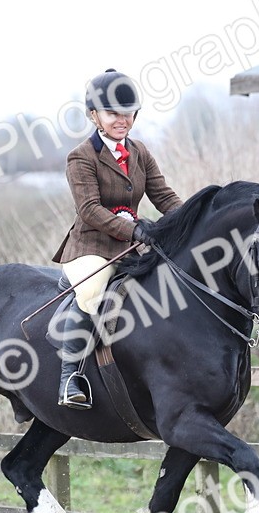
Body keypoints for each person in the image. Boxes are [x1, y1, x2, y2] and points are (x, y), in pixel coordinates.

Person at [50, 69, 183, 409]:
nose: (121, 120)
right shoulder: (81, 157)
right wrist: (136, 230)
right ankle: (71, 377)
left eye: (127, 113)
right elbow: (90, 210)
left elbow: (164, 197)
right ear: (94, 115)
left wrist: (191, 220)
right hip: (91, 246)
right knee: (94, 292)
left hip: (130, 246)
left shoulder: (139, 152)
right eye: (112, 113)